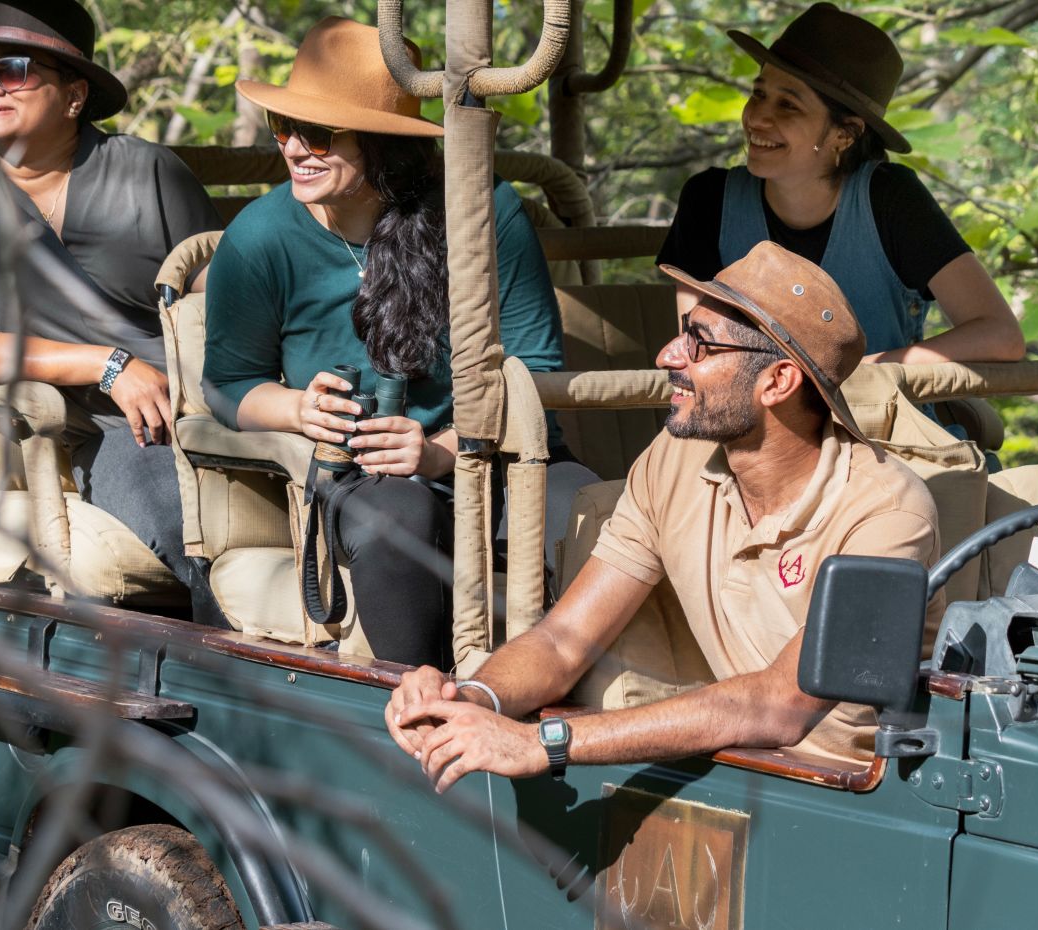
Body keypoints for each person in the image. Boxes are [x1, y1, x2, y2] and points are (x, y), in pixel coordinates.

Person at [384, 242, 940, 792]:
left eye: (699, 344)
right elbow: (565, 639)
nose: (668, 356)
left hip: (861, 799)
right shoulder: (675, 458)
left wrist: (543, 742)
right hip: (745, 772)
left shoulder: (885, 512)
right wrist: (469, 700)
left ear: (778, 382)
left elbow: (779, 705)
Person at [203, 17, 573, 669]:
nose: (294, 148)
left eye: (318, 133)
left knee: (602, 513)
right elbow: (228, 384)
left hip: (507, 462)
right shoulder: (259, 237)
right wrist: (297, 409)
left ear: (385, 144)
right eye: (282, 128)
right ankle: (422, 717)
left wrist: (443, 452)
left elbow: (539, 372)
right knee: (396, 517)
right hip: (367, 482)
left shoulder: (487, 210)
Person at [0, 0, 224, 620]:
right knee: (185, 512)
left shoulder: (149, 173)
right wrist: (109, 365)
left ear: (75, 95)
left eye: (14, 68)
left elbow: (220, 303)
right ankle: (244, 689)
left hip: (206, 414)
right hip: (91, 434)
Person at [655, 2, 1023, 367]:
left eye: (788, 105)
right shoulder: (708, 200)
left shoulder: (891, 199)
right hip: (748, 425)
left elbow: (1001, 335)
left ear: (845, 134)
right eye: (759, 93)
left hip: (883, 422)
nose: (757, 118)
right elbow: (696, 352)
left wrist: (856, 377)